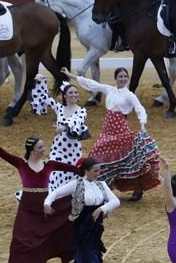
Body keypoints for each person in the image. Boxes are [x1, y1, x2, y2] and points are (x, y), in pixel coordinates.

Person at [0, 135, 77, 263]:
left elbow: (75, 169)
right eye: (40, 148)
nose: (44, 150)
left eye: (43, 147)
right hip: (27, 209)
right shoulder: (21, 163)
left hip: (44, 207)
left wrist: (89, 171)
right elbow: (2, 153)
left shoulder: (50, 164)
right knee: (22, 241)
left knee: (44, 239)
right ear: (32, 150)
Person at [62, 66, 161, 200]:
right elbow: (92, 84)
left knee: (128, 160)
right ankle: (102, 187)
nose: (123, 79)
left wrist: (142, 124)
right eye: (120, 76)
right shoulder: (110, 89)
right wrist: (70, 75)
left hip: (121, 130)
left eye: (125, 76)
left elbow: (139, 109)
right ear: (115, 79)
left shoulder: (129, 94)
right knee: (97, 155)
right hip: (107, 130)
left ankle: (138, 189)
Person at [43, 157, 120, 263]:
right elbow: (55, 193)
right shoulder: (76, 185)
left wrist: (101, 209)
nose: (99, 173)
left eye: (99, 170)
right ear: (86, 171)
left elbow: (115, 201)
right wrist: (46, 203)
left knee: (86, 262)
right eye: (95, 170)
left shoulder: (101, 185)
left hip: (95, 230)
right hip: (81, 230)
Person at [30, 74, 90, 191]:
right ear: (65, 95)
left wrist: (63, 127)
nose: (74, 95)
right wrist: (41, 81)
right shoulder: (59, 108)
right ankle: (48, 198)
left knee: (72, 176)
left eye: (75, 92)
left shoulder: (82, 111)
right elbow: (44, 97)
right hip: (58, 149)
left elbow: (77, 121)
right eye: (71, 92)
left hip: (73, 151)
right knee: (52, 174)